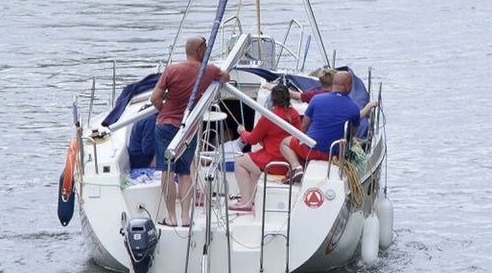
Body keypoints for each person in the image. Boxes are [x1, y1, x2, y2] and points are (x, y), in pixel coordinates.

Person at [148, 36, 225, 227]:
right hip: (188, 128)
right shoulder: (208, 71)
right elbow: (225, 77)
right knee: (184, 172)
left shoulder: (172, 70)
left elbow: (154, 98)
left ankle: (171, 217)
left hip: (166, 125)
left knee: (167, 171)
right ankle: (184, 217)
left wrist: (163, 109)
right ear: (200, 50)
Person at [230, 82, 307, 212]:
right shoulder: (294, 114)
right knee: (253, 165)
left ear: (272, 99)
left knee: (240, 161)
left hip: (272, 161)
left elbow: (252, 140)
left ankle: (245, 202)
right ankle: (251, 199)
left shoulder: (268, 118)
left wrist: (242, 131)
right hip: (288, 162)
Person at [301, 69, 376, 160]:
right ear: (348, 86)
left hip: (310, 150)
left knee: (286, 142)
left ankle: (296, 167)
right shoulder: (353, 108)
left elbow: (304, 126)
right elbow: (351, 135)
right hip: (334, 153)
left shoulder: (316, 99)